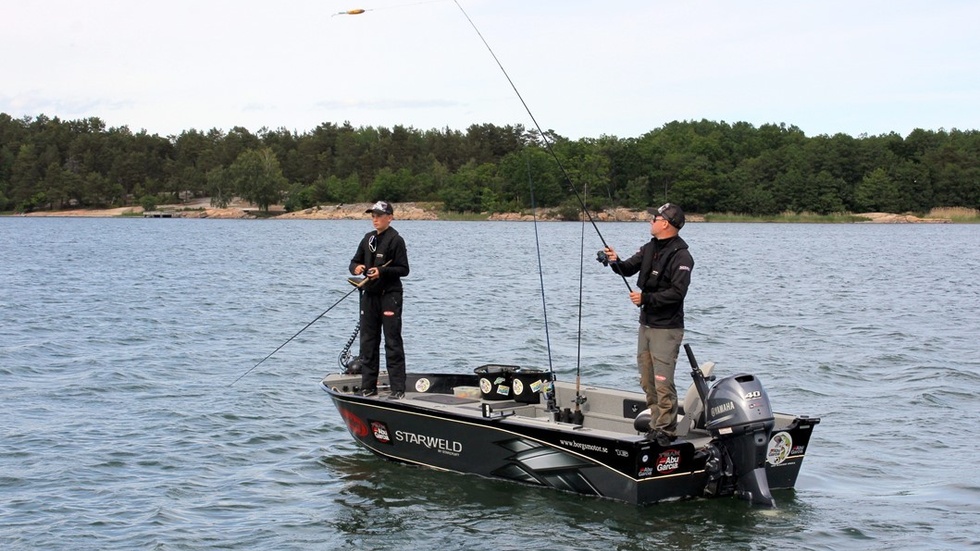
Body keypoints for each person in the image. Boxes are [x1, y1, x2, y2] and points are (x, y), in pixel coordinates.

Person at [602, 203, 694, 445]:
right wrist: (614, 260)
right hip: (647, 325)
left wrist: (646, 298)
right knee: (647, 380)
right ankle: (656, 425)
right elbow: (627, 268)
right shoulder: (649, 248)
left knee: (663, 381)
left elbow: (677, 293)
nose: (650, 221)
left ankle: (666, 430)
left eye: (655, 218)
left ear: (666, 223)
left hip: (667, 328)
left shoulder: (682, 256)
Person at [349, 200, 410, 399]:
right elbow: (354, 261)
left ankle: (398, 389)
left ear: (389, 218)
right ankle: (368, 386)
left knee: (392, 342)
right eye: (372, 216)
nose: (375, 219)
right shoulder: (368, 238)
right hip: (370, 296)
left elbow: (403, 269)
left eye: (379, 216)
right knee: (368, 342)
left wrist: (381, 271)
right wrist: (356, 268)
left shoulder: (396, 240)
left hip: (390, 296)